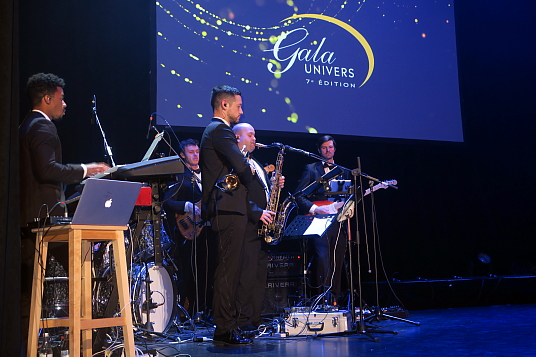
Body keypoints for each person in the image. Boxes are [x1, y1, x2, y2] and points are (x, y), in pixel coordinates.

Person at [19, 73, 110, 346]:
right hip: (43, 220)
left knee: (28, 292)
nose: (65, 103)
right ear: (47, 99)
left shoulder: (25, 125)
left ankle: (28, 345)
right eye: (61, 98)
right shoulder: (43, 127)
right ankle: (87, 338)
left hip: (30, 218)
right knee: (85, 267)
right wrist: (86, 170)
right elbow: (47, 170)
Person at [200, 85, 253, 345]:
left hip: (229, 209)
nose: (241, 111)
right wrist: (250, 174)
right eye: (238, 106)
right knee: (227, 271)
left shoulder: (215, 131)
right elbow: (241, 166)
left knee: (230, 270)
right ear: (224, 105)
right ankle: (224, 327)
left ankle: (227, 325)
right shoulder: (220, 130)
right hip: (227, 208)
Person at [233, 123, 281, 333]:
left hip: (262, 229)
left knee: (259, 276)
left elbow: (259, 191)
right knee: (246, 276)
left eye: (255, 135)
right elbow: (235, 196)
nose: (254, 138)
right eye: (250, 135)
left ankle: (255, 318)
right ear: (237, 138)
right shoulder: (234, 163)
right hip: (247, 226)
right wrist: (257, 212)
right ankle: (242, 320)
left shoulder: (256, 162)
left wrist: (274, 185)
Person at [294, 135, 350, 305]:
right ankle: (321, 298)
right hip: (318, 220)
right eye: (324, 148)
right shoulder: (311, 169)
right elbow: (299, 195)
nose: (328, 150)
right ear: (319, 149)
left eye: (331, 147)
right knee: (323, 258)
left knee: (337, 259)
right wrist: (316, 209)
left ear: (335, 149)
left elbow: (346, 197)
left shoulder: (344, 170)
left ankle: (334, 299)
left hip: (338, 221)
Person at [162, 139, 215, 318]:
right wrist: (185, 205)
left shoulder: (207, 174)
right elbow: (166, 202)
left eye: (197, 152)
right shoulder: (180, 175)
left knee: (206, 273)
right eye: (191, 152)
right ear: (182, 155)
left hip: (206, 231)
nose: (196, 155)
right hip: (186, 234)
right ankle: (182, 314)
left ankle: (201, 311)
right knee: (188, 274)